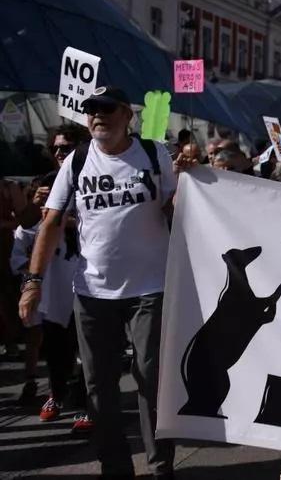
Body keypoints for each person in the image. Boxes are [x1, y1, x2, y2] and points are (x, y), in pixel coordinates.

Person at [20, 86, 192, 479]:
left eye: (106, 109)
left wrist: (189, 185)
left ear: (127, 115)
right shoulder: (77, 161)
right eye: (91, 110)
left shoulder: (153, 154)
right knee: (99, 387)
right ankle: (115, 467)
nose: (98, 116)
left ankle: (160, 466)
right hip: (93, 293)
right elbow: (49, 221)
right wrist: (33, 281)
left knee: (151, 379)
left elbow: (173, 208)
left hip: (150, 288)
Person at [11, 171, 83, 425]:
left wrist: (72, 222)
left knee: (87, 350)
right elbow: (19, 256)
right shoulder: (34, 226)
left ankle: (85, 404)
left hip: (88, 293)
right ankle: (56, 393)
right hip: (53, 298)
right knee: (55, 350)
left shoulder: (86, 219)